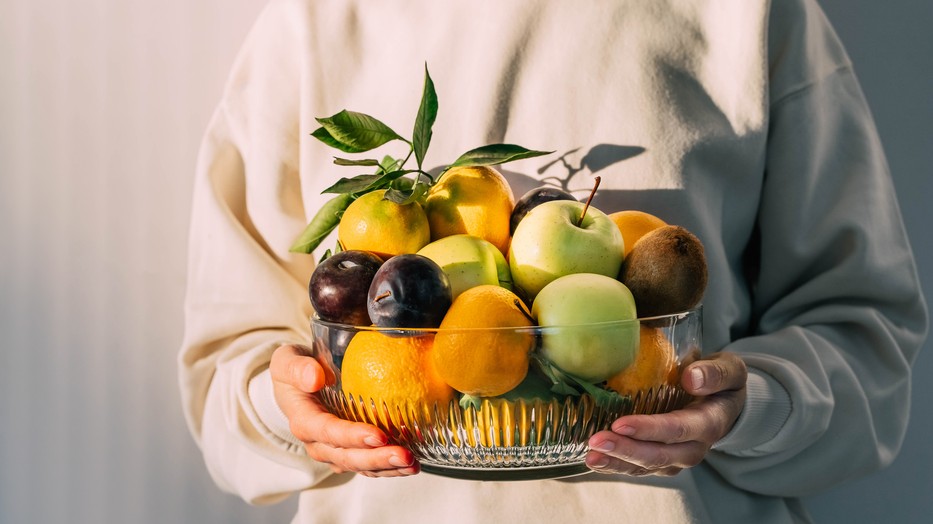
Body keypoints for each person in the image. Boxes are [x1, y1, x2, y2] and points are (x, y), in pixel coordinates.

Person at [179, 0, 928, 521]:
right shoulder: (309, 25)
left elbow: (869, 346)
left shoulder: (753, 16)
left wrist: (749, 406)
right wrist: (288, 410)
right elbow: (224, 383)